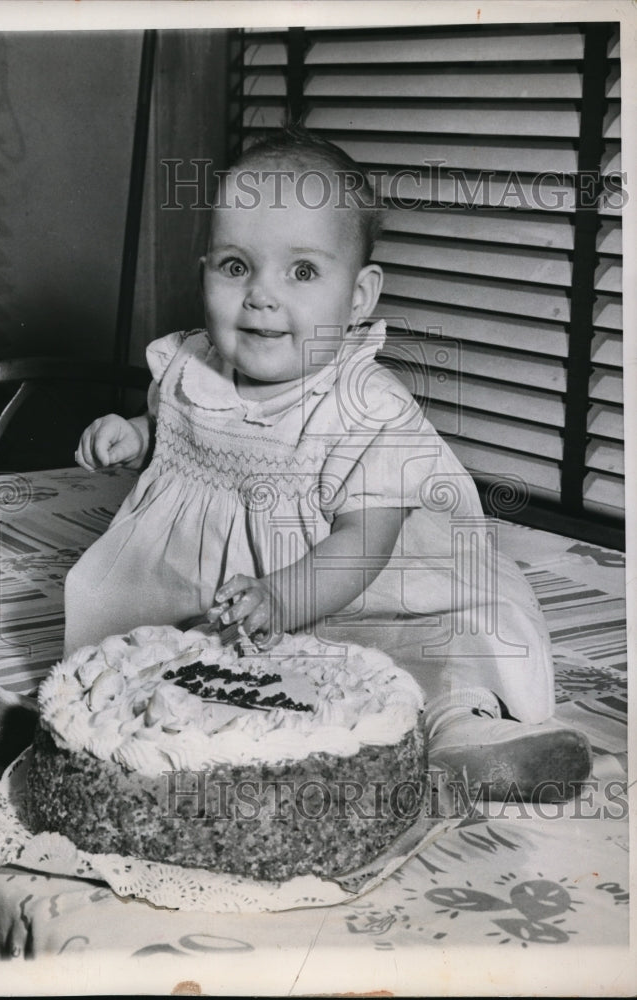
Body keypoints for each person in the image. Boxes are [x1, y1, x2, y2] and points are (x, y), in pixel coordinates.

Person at [65, 125, 591, 801]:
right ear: (204, 271)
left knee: (427, 653)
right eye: (234, 265)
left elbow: (362, 546)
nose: (260, 294)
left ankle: (460, 741)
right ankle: (90, 733)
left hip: (352, 597)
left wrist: (283, 597)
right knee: (143, 658)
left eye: (303, 271)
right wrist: (138, 435)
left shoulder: (367, 407)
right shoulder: (189, 367)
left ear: (361, 296)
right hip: (212, 599)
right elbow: (181, 428)